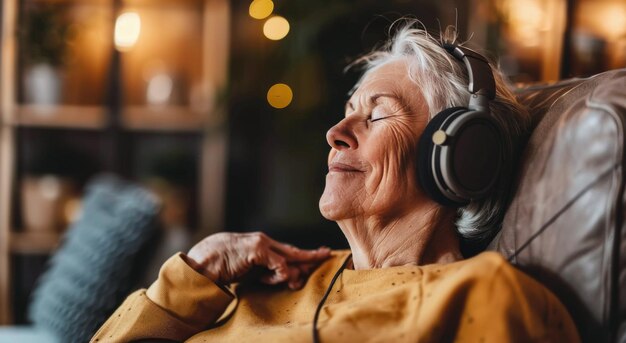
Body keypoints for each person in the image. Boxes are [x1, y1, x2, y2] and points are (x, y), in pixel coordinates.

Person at [91, 22, 579, 342]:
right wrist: (193, 273)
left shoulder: (482, 296)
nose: (335, 134)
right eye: (347, 113)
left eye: (376, 114)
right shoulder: (255, 282)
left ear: (457, 156)